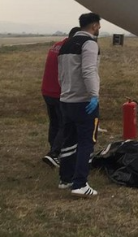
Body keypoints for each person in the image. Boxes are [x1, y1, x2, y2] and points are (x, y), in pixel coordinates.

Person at [57, 13, 101, 197]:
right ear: (94, 25)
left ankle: (65, 179)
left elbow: (61, 74)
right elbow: (89, 70)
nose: (99, 28)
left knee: (68, 140)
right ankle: (80, 184)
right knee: (86, 142)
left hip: (66, 100)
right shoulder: (89, 44)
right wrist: (94, 95)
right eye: (98, 25)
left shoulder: (65, 44)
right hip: (83, 102)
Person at [41, 27, 80, 168]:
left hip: (47, 90)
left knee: (55, 122)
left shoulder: (56, 46)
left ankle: (53, 150)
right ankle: (54, 154)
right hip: (60, 92)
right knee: (66, 123)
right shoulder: (69, 49)